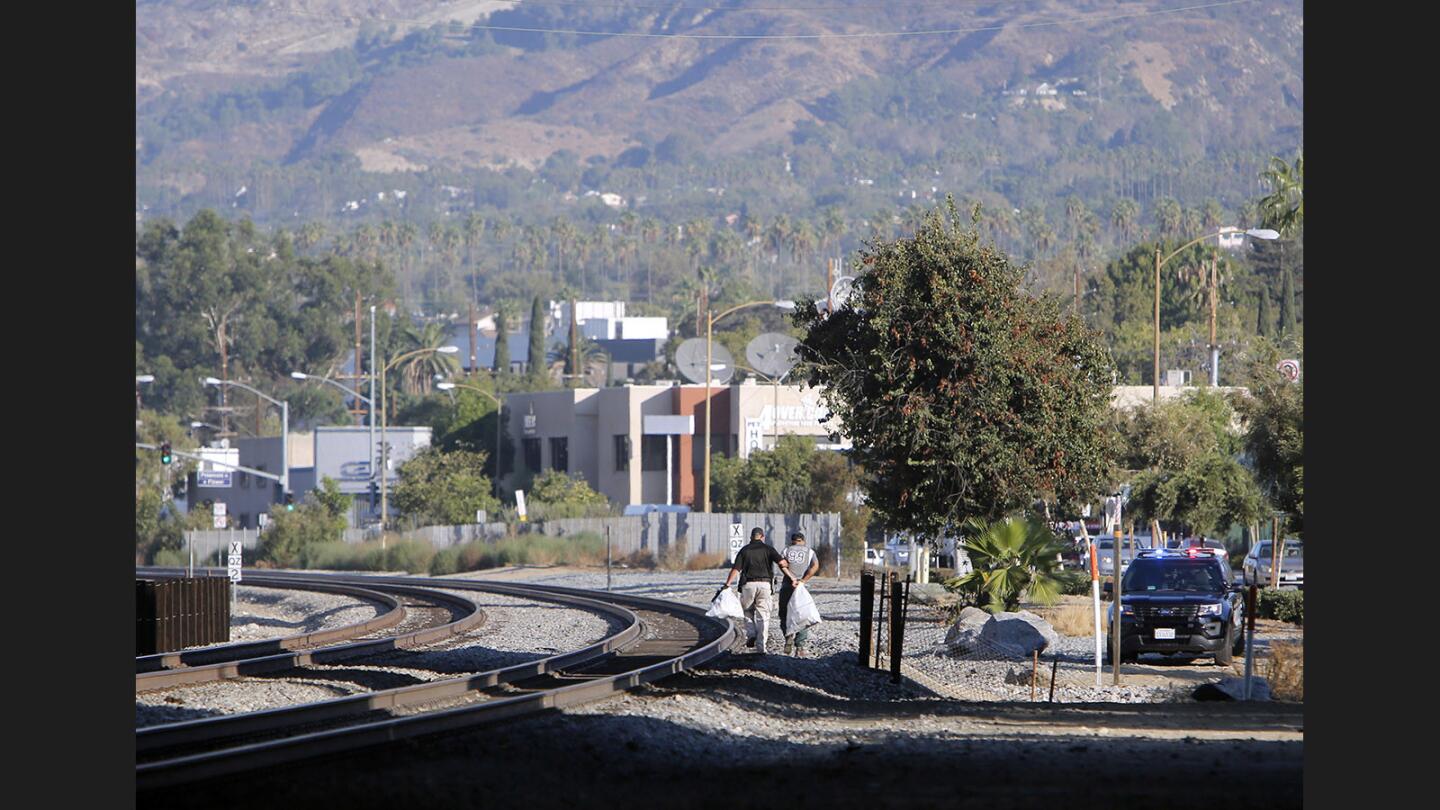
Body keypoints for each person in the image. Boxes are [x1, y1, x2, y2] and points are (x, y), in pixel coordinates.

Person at [723, 527, 790, 654]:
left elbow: (736, 570)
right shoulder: (768, 549)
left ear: (751, 537)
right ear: (762, 537)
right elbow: (782, 562)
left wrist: (727, 584)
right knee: (763, 616)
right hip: (765, 585)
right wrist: (788, 566)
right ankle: (761, 647)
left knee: (747, 611)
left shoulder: (744, 550)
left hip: (748, 585)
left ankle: (751, 633)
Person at [778, 531, 820, 657]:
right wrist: (803, 580)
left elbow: (781, 565)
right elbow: (815, 566)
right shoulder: (810, 552)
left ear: (792, 541)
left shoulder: (786, 550)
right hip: (802, 587)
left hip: (787, 585)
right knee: (802, 614)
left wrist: (791, 578)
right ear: (803, 540)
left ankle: (788, 636)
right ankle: (800, 646)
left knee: (784, 613)